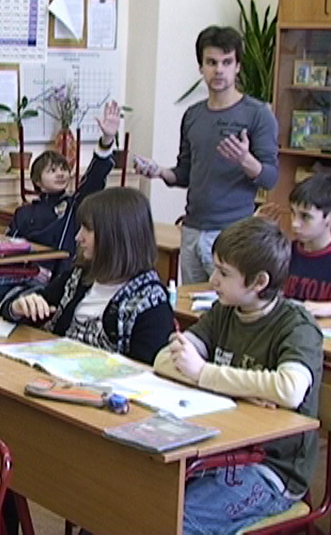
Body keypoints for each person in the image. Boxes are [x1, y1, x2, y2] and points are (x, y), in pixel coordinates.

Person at [153, 217, 321, 534]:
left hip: (272, 470)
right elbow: (164, 359)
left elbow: (290, 389)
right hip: (219, 448)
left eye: (224, 273)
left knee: (175, 520)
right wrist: (240, 389)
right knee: (139, 498)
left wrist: (203, 372)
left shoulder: (296, 326)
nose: (212, 280)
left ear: (259, 282)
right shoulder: (225, 311)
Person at [134, 26, 278, 284]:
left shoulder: (257, 114)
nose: (219, 70)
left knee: (227, 302)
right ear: (201, 67)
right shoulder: (193, 115)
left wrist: (245, 160)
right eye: (211, 62)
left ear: (238, 66)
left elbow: (270, 178)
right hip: (192, 229)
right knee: (190, 302)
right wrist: (159, 172)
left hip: (232, 231)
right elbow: (185, 173)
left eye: (226, 62)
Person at [0, 187, 174, 365]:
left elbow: (143, 374)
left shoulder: (151, 304)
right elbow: (19, 311)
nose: (77, 237)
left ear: (116, 236)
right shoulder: (79, 277)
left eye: (88, 230)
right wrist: (17, 308)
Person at [8, 100, 122, 257]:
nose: (60, 174)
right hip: (30, 269)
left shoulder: (74, 205)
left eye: (63, 169)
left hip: (64, 270)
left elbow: (94, 179)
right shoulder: (24, 213)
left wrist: (107, 140)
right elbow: (7, 247)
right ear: (37, 181)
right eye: (52, 171)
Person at [283, 173, 331, 317]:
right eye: (292, 213)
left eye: (305, 216)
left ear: (328, 217)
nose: (294, 224)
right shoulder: (284, 252)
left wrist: (326, 308)